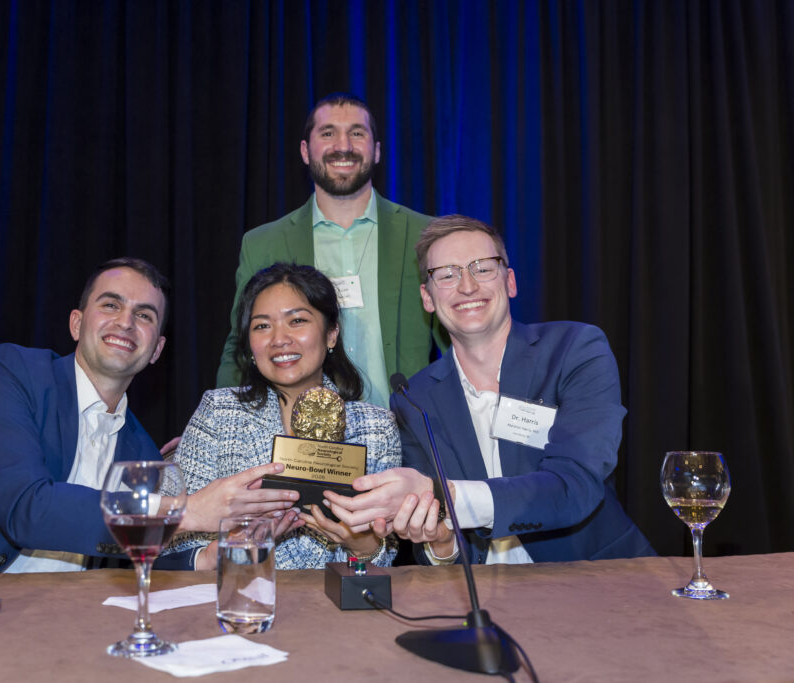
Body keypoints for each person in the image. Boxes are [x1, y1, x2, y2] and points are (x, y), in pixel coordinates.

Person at [0, 258, 296, 575]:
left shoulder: (140, 449)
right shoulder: (6, 374)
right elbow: (26, 508)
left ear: (157, 350)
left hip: (54, 623)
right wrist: (186, 510)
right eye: (110, 305)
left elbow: (134, 555)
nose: (126, 322)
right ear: (75, 323)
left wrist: (216, 554)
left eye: (144, 316)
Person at [323, 216, 655, 564]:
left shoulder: (575, 350)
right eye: (447, 274)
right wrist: (440, 541)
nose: (467, 286)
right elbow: (439, 551)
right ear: (428, 297)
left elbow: (575, 486)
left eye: (482, 268)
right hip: (480, 600)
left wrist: (445, 495)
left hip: (598, 582)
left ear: (510, 281)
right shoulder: (413, 399)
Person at [215, 93, 443, 409]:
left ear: (377, 151)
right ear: (306, 152)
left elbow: (457, 339)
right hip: (301, 444)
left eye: (357, 133)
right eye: (328, 133)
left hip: (407, 435)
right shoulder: (263, 243)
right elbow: (240, 349)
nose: (343, 145)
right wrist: (218, 423)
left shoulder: (424, 235)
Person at [171, 263, 401, 569]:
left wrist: (362, 543)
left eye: (297, 321)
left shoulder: (377, 427)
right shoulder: (217, 412)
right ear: (250, 345)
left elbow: (385, 554)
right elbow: (170, 540)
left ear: (331, 334)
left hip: (337, 609)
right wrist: (230, 549)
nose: (279, 338)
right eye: (262, 326)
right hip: (240, 599)